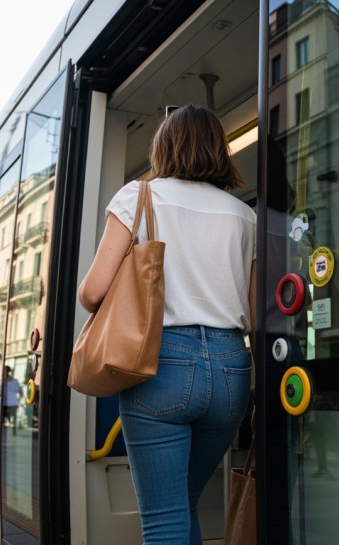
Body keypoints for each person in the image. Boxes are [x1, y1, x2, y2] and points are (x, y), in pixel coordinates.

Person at [78, 104, 256, 545]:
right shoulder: (244, 216)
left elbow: (93, 293)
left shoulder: (138, 197)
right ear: (219, 149)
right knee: (184, 502)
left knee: (164, 517)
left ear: (165, 147)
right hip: (232, 368)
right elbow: (255, 315)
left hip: (162, 365)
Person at [1, 365, 22, 430]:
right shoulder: (2, 381)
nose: (5, 372)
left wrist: (19, 401)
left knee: (13, 419)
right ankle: (2, 430)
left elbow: (20, 391)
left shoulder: (15, 381)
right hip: (3, 402)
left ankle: (14, 431)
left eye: (6, 371)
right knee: (3, 418)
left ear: (8, 372)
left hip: (13, 403)